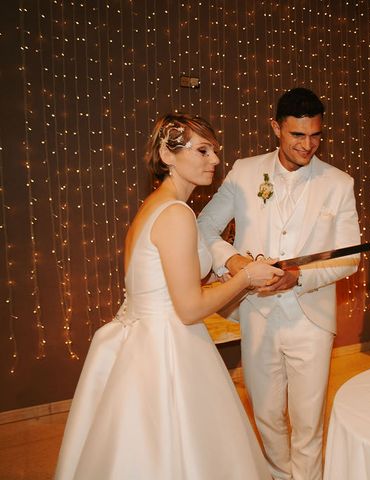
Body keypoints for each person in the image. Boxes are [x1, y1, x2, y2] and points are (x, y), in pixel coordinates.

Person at [55, 113, 282, 480]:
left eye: (215, 151)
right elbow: (190, 309)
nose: (215, 160)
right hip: (168, 348)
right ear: (167, 154)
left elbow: (168, 282)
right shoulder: (176, 214)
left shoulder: (154, 207)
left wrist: (223, 272)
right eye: (203, 150)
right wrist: (246, 277)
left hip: (142, 337)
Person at [198, 88, 361, 480]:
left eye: (316, 135)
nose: (308, 145)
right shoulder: (245, 171)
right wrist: (237, 264)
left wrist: (298, 277)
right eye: (297, 136)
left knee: (308, 420)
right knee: (267, 412)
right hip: (256, 311)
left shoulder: (339, 183)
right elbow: (204, 227)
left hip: (311, 317)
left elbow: (349, 257)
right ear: (276, 128)